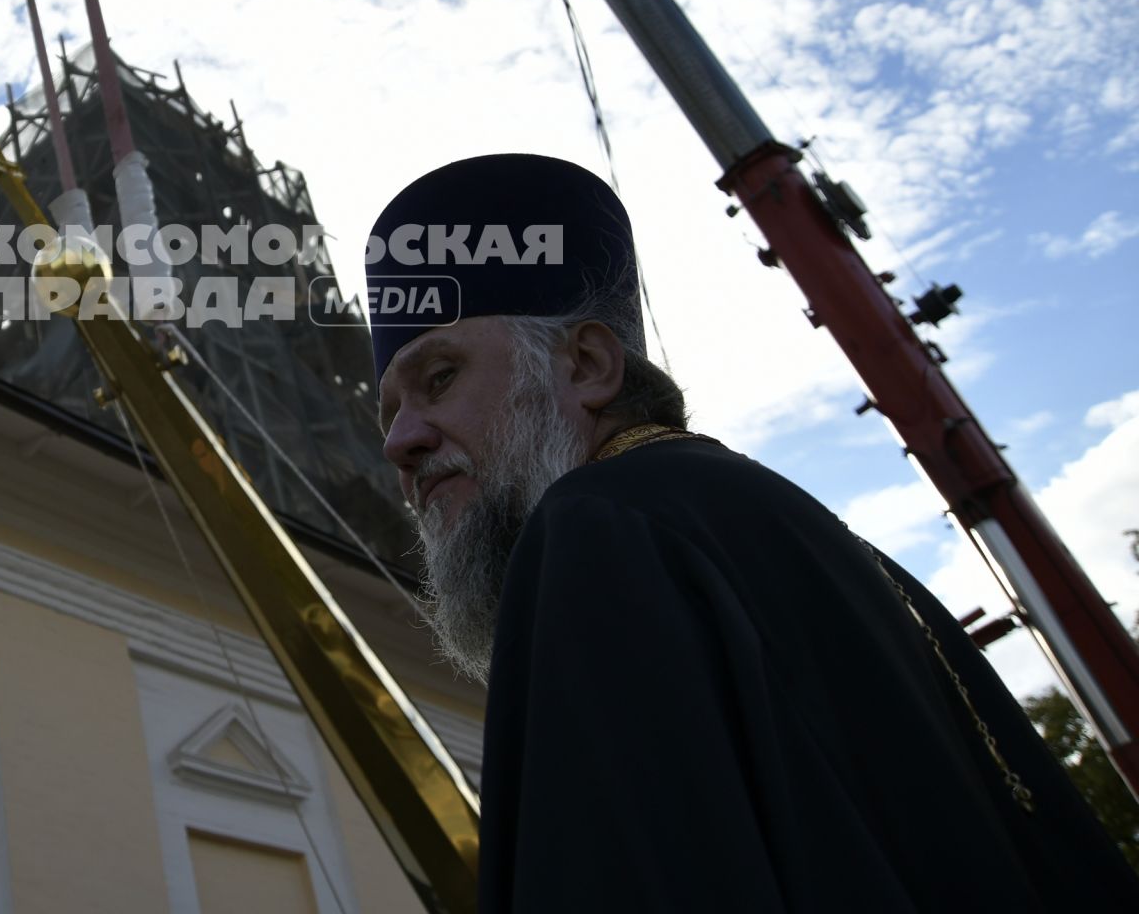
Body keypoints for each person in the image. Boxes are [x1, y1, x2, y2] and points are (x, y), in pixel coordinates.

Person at [365, 153, 1139, 913]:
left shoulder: (596, 531)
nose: (401, 442)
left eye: (439, 379)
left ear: (589, 365)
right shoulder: (816, 542)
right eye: (387, 414)